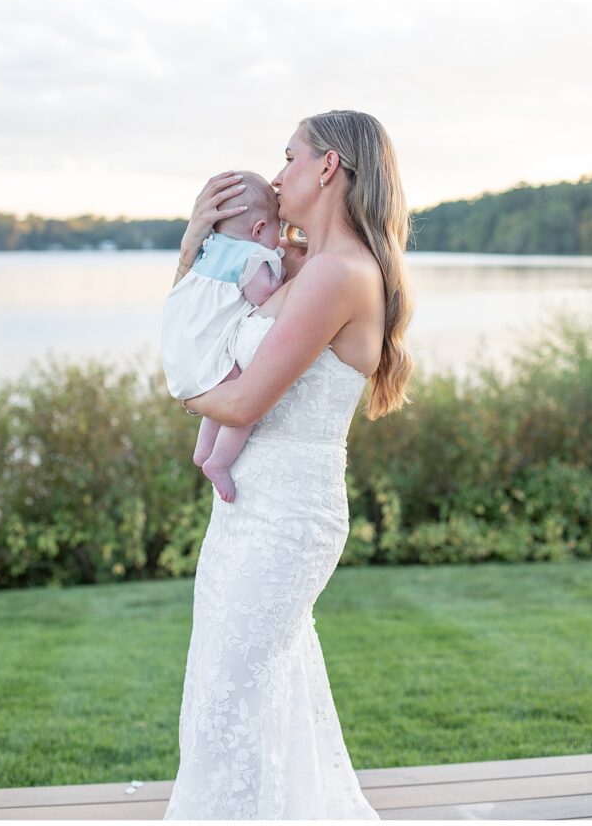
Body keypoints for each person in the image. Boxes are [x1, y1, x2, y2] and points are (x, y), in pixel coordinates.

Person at [163, 109, 415, 819]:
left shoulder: (338, 274)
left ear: (329, 166)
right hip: (246, 509)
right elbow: (210, 322)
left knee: (227, 705)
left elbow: (240, 402)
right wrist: (192, 246)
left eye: (289, 157)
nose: (277, 176)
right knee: (252, 701)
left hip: (285, 521)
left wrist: (183, 391)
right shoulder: (302, 264)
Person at [161, 172, 287, 502]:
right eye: (279, 229)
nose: (281, 239)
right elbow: (263, 294)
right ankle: (217, 461)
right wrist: (279, 274)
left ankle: (203, 452)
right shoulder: (253, 256)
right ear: (259, 229)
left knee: (218, 388)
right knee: (236, 396)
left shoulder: (211, 247)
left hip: (187, 344)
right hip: (207, 346)